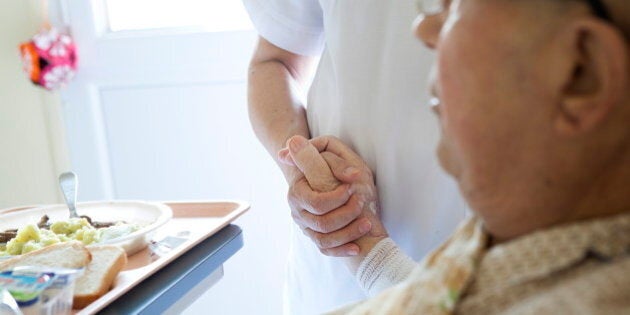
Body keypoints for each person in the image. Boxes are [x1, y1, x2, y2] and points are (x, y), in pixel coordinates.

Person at [280, 0, 630, 314]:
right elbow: (439, 302)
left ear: (580, 71)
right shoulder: (519, 229)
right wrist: (368, 244)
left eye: (457, 6)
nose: (424, 29)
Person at [242, 0, 466, 313]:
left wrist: (371, 253)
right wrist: (305, 168)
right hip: (342, 274)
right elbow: (275, 61)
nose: (424, 28)